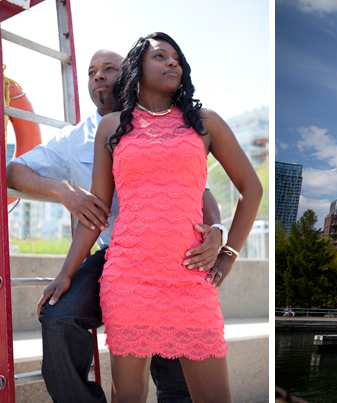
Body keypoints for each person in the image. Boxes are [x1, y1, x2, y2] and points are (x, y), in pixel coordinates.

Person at [41, 32, 261, 402]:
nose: (172, 62)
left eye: (176, 57)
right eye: (160, 56)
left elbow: (251, 189)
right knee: (128, 395)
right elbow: (96, 209)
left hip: (189, 278)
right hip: (128, 279)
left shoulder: (205, 122)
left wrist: (229, 253)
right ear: (137, 68)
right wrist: (66, 274)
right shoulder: (112, 127)